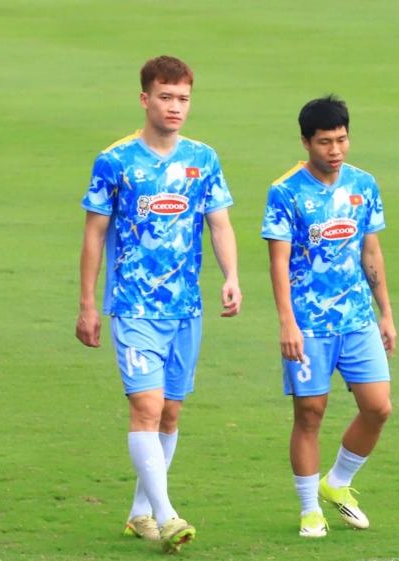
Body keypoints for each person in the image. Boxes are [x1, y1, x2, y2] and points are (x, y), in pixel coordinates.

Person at [76, 56, 242, 553]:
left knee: (169, 412)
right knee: (146, 407)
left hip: (186, 308)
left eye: (183, 98)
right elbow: (93, 234)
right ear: (144, 98)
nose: (175, 107)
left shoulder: (203, 159)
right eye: (165, 97)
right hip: (133, 306)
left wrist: (232, 276)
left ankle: (139, 513)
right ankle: (167, 516)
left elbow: (219, 223)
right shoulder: (116, 161)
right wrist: (88, 304)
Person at [261, 95, 396, 538]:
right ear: (305, 142)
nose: (335, 150)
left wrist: (385, 312)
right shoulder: (286, 192)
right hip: (308, 325)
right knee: (310, 415)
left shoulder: (363, 185)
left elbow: (370, 251)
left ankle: (337, 482)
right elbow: (278, 262)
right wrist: (287, 322)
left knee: (378, 408)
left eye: (341, 140)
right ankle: (309, 510)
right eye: (325, 142)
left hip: (357, 320)